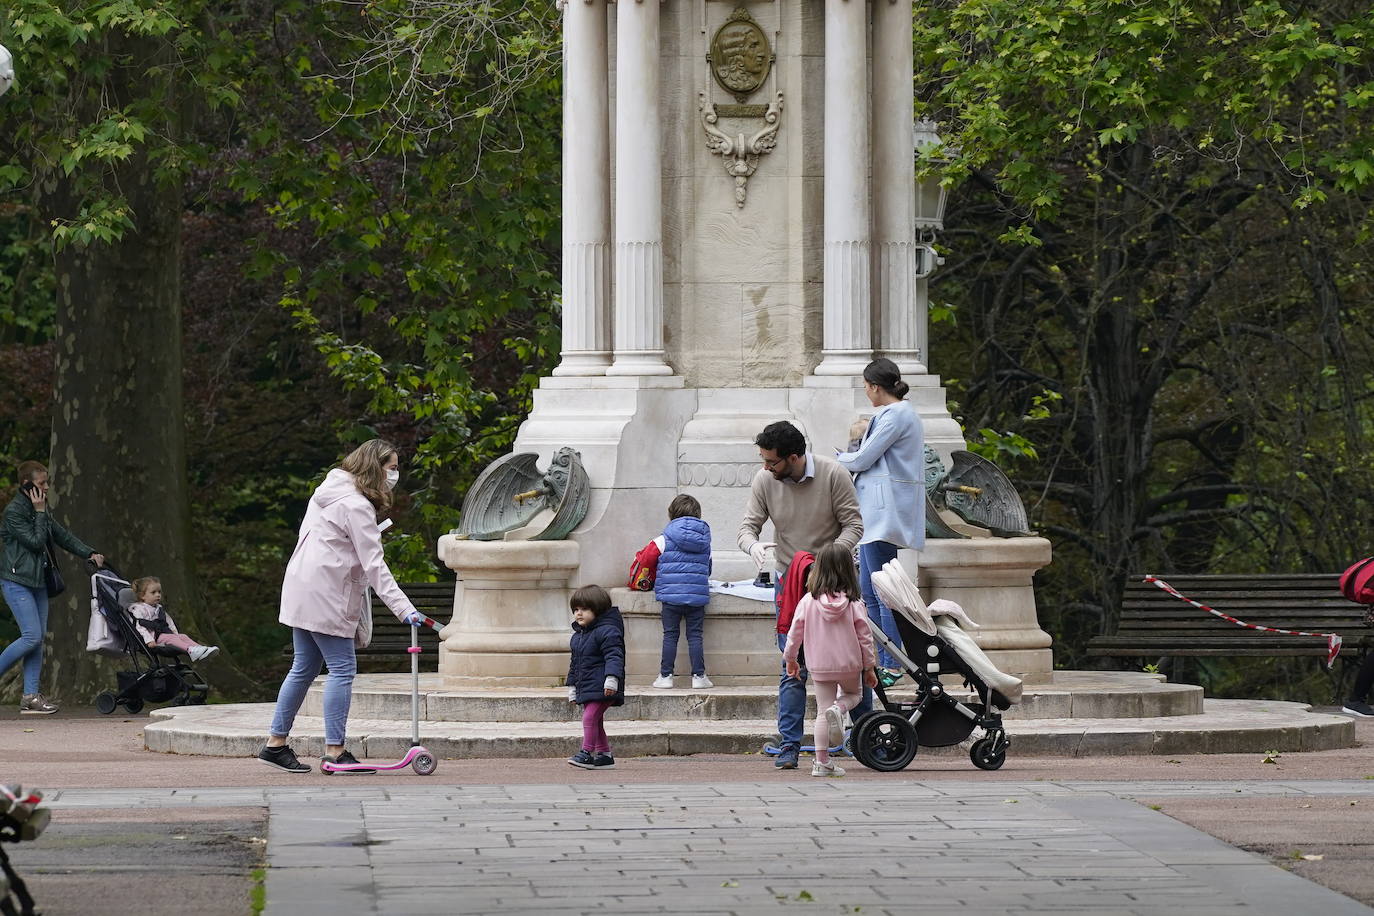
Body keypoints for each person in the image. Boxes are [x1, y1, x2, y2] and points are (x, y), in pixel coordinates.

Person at [258, 439, 426, 775]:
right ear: (374, 467)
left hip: (302, 586)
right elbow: (374, 564)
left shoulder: (328, 490)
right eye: (391, 468)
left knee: (303, 667)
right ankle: (335, 751)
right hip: (327, 593)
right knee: (342, 670)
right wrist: (404, 608)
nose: (395, 475)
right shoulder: (357, 506)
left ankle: (275, 744)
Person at [738, 420, 864, 769]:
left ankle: (865, 736)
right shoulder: (765, 480)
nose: (765, 467)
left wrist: (828, 561)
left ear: (793, 457)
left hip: (834, 577)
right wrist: (752, 547)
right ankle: (790, 743)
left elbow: (854, 524)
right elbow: (747, 527)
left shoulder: (833, 474)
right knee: (792, 664)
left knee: (852, 661)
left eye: (772, 461)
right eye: (763, 460)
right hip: (790, 580)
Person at [836, 358, 925, 687]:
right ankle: (877, 658)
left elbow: (862, 458)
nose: (865, 391)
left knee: (883, 592)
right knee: (870, 592)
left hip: (882, 513)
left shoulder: (896, 415)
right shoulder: (896, 414)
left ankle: (891, 662)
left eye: (865, 386)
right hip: (875, 513)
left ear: (875, 386)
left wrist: (835, 459)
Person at [1, 461, 106, 716]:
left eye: (47, 483)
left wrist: (89, 552)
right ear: (27, 485)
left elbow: (62, 536)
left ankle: (30, 697)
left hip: (38, 582)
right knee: (31, 637)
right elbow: (36, 543)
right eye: (41, 484)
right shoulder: (14, 512)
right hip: (17, 582)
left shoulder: (42, 510)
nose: (46, 488)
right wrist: (38, 511)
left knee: (37, 642)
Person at [783, 543, 878, 777]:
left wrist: (791, 659)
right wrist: (870, 666)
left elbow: (795, 632)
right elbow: (864, 636)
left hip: (819, 665)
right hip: (849, 664)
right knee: (854, 696)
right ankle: (841, 707)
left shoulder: (807, 601)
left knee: (822, 712)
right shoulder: (855, 603)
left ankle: (821, 762)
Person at [651, 494, 714, 690]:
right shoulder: (705, 541)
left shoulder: (663, 538)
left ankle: (666, 676)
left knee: (670, 635)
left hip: (670, 597)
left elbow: (647, 560)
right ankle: (699, 676)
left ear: (672, 514)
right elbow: (708, 568)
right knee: (695, 636)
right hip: (696, 597)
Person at [566, 585, 625, 770]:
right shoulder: (578, 636)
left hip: (604, 685)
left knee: (589, 718)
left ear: (597, 609)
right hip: (588, 685)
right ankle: (605, 754)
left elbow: (614, 657)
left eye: (584, 609)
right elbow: (574, 664)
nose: (578, 614)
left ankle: (586, 752)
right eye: (576, 610)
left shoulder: (608, 631)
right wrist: (573, 687)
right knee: (596, 720)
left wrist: (612, 678)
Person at [126, 577, 220, 663]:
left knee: (182, 636)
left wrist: (175, 634)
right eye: (153, 592)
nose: (158, 595)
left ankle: (200, 650)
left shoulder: (159, 609)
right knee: (172, 638)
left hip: (163, 635)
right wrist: (149, 640)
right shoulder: (138, 609)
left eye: (159, 592)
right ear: (142, 596)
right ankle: (190, 650)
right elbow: (139, 626)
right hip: (151, 638)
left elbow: (169, 622)